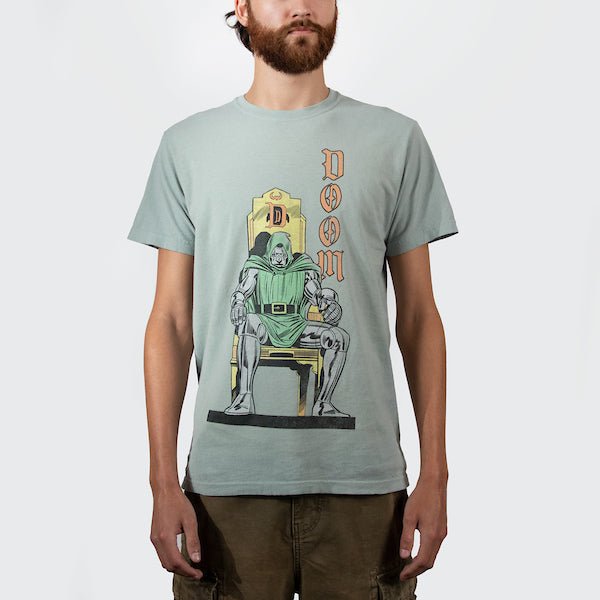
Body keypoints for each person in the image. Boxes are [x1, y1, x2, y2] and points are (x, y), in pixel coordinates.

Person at [126, 1, 459, 598]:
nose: (302, 6)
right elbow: (171, 323)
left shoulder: (396, 140)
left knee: (335, 337)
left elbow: (418, 318)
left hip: (365, 488)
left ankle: (324, 399)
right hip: (226, 493)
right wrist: (161, 482)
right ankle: (245, 397)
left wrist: (435, 474)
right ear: (242, 7)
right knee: (250, 331)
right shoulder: (187, 147)